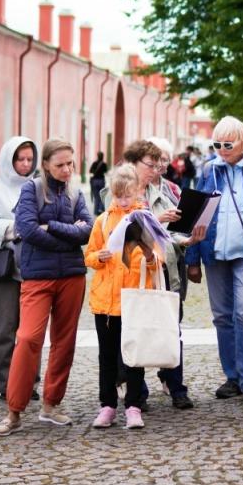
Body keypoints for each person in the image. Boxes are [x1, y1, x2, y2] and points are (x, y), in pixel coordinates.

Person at [0, 137, 93, 436]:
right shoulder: (31, 189)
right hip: (38, 277)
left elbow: (87, 230)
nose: (67, 170)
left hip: (73, 277)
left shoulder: (76, 193)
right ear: (45, 164)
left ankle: (51, 404)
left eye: (71, 164)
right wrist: (67, 236)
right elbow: (27, 229)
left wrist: (56, 229)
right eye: (60, 164)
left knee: (65, 342)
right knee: (28, 338)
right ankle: (14, 410)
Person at [185, 117, 243, 401]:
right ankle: (232, 377)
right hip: (214, 252)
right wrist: (192, 259)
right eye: (216, 144)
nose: (221, 149)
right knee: (222, 317)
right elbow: (196, 214)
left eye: (227, 144)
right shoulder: (209, 169)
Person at [124, 138, 205, 410]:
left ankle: (176, 386)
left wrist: (188, 240)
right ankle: (137, 392)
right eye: (152, 163)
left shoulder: (170, 189)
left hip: (167, 268)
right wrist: (159, 220)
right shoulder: (123, 189)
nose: (158, 168)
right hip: (135, 271)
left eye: (161, 163)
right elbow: (123, 231)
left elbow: (173, 232)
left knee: (172, 327)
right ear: (134, 163)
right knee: (137, 328)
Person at [85, 164, 162, 430]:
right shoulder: (103, 220)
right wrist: (99, 256)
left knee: (133, 357)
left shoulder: (145, 219)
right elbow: (90, 255)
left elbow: (158, 259)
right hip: (105, 301)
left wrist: (151, 256)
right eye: (118, 196)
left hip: (134, 299)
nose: (123, 200)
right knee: (106, 357)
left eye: (127, 195)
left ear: (136, 192)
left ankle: (133, 406)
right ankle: (107, 405)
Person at [0, 135, 39, 400]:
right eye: (20, 159)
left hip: (35, 265)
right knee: (5, 327)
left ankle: (29, 381)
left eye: (29, 159)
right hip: (5, 266)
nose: (25, 164)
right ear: (9, 159)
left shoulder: (37, 186)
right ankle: (3, 382)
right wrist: (17, 228)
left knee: (31, 329)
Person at [89, 152, 108, 216]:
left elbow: (90, 171)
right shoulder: (104, 164)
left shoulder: (94, 163)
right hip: (101, 181)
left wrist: (95, 171)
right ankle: (101, 209)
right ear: (102, 156)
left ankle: (96, 210)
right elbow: (106, 171)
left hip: (94, 181)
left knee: (96, 196)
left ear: (97, 156)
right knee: (102, 195)